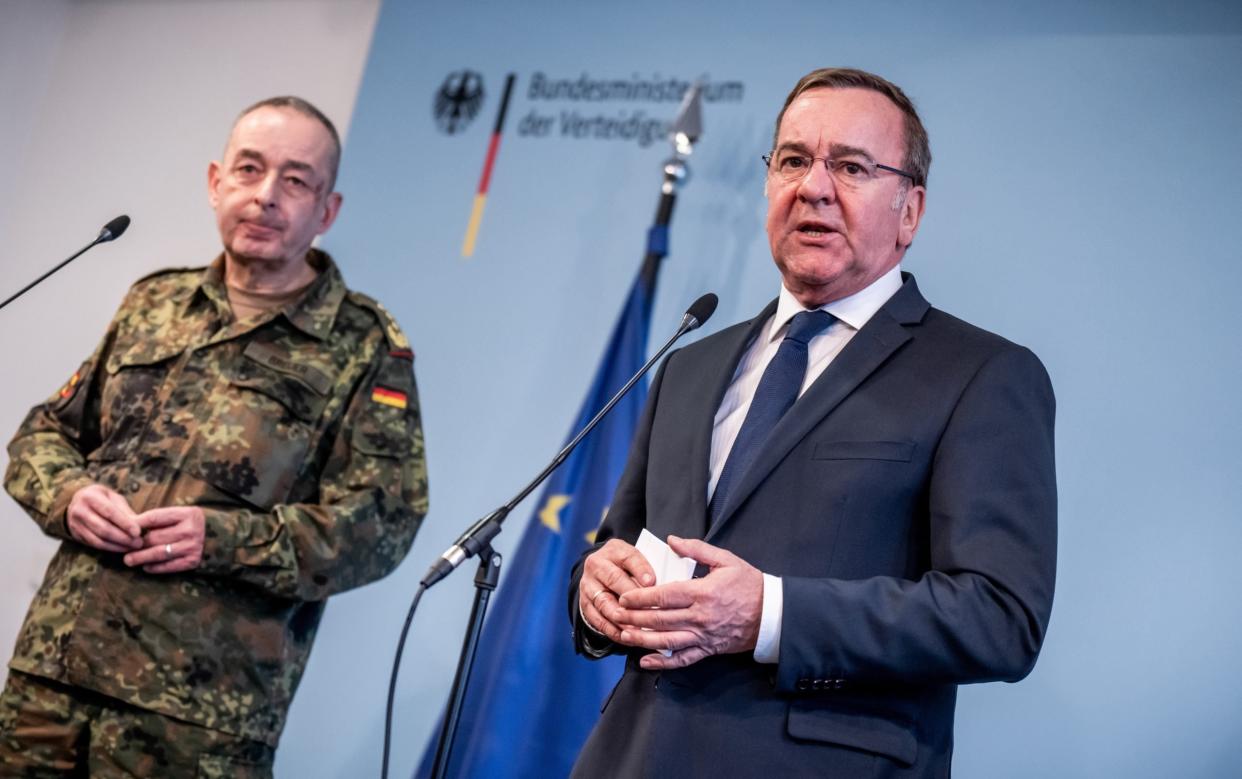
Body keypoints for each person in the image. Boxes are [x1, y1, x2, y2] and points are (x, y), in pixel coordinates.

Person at [569, 68, 1056, 777]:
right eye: (793, 160)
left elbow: (999, 615)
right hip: (633, 756)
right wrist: (595, 594)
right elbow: (624, 544)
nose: (814, 187)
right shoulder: (690, 363)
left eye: (852, 166)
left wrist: (771, 612)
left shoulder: (980, 375)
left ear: (910, 211)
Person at [0, 97, 428, 776]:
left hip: (199, 719)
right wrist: (70, 494)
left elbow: (381, 524)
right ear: (215, 182)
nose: (264, 196)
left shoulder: (365, 347)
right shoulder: (153, 302)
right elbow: (41, 436)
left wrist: (223, 538)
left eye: (295, 180)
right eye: (249, 170)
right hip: (52, 677)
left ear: (328, 210)